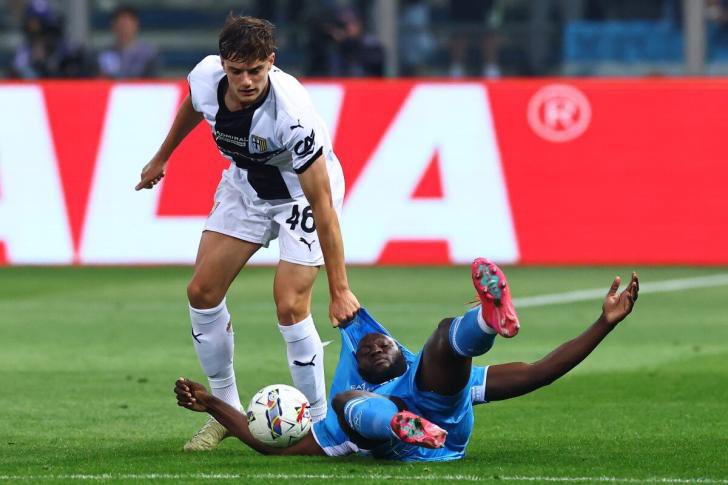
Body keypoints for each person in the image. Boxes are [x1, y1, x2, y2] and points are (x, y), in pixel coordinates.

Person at [137, 15, 360, 451]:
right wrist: (162, 156)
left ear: (271, 62)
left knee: (290, 304)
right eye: (236, 71)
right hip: (247, 186)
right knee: (202, 291)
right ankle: (224, 411)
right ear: (223, 64)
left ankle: (320, 424)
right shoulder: (205, 77)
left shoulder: (293, 116)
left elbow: (323, 207)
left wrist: (340, 290)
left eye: (255, 71)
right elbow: (195, 105)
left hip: (299, 197)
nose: (245, 81)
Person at [174, 259, 640, 460]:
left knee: (443, 337)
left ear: (399, 349)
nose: (375, 347)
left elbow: (538, 373)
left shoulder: (419, 370)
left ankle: (488, 320)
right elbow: (272, 447)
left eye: (383, 344)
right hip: (403, 435)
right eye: (366, 350)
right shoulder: (347, 406)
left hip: (441, 420)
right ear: (361, 364)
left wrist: (604, 324)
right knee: (346, 402)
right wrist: (212, 403)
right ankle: (397, 424)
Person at [97, 6, 159, 79]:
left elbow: (153, 81)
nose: (124, 30)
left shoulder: (149, 55)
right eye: (120, 26)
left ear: (136, 26)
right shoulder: (105, 55)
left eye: (127, 25)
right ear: (113, 26)